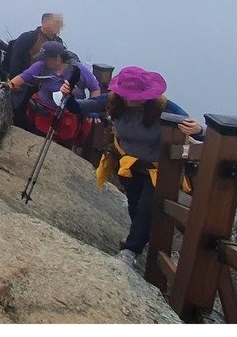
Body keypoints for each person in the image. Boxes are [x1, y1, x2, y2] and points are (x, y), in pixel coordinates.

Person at [63, 66, 203, 268]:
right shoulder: (113, 101)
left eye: (136, 95)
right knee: (135, 207)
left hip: (158, 169)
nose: (130, 99)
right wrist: (68, 95)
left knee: (146, 209)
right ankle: (139, 241)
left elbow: (193, 127)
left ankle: (130, 251)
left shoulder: (163, 107)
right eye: (127, 94)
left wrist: (199, 129)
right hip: (129, 164)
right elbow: (80, 107)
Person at [7, 41, 100, 144]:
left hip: (68, 117)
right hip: (44, 113)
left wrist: (92, 109)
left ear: (58, 58)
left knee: (64, 145)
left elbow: (95, 89)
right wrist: (9, 85)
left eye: (47, 58)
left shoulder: (78, 70)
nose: (44, 61)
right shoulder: (41, 66)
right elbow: (24, 77)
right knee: (39, 142)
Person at [7, 12, 65, 78]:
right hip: (27, 81)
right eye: (56, 23)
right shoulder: (29, 37)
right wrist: (15, 83)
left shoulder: (58, 41)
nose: (59, 26)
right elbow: (16, 61)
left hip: (49, 82)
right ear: (45, 22)